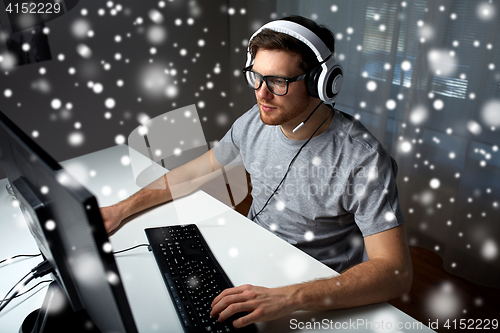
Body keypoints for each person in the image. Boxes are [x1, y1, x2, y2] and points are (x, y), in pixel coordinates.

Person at [101, 15, 412, 329]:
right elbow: (192, 173)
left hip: (311, 288)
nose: (261, 94)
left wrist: (288, 298)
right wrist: (120, 209)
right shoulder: (254, 121)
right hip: (251, 257)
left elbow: (396, 273)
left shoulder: (362, 158)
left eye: (278, 81)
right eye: (256, 77)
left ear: (321, 83)